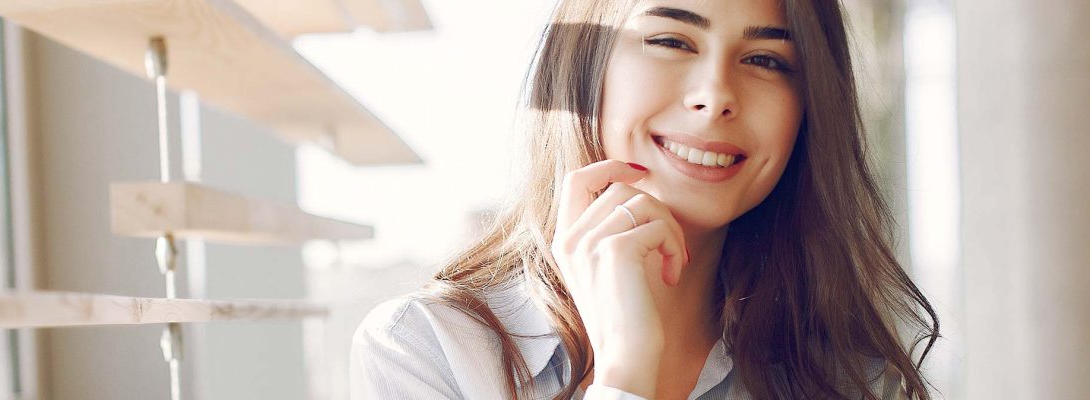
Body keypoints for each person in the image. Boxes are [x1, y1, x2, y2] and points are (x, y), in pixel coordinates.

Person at [350, 0, 940, 398]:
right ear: (583, 67)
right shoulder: (428, 350)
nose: (715, 95)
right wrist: (629, 368)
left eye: (765, 60)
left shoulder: (852, 381)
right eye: (671, 40)